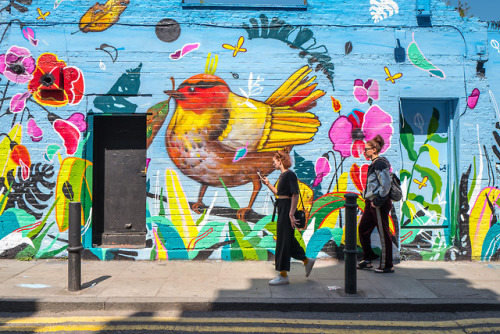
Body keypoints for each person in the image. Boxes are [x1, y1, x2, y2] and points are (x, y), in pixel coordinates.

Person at [259, 147, 315, 285]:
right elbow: (279, 193)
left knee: (283, 242)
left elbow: (295, 194)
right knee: (288, 241)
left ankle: (283, 275)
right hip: (283, 208)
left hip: (286, 210)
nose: (273, 164)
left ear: (280, 160)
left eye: (274, 161)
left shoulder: (289, 175)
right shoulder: (283, 175)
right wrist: (268, 184)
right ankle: (307, 261)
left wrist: (291, 213)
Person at [357, 135, 394, 273]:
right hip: (370, 203)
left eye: (366, 149)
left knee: (383, 233)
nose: (364, 152)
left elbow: (386, 185)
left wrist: (377, 202)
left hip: (378, 204)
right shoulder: (374, 164)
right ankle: (368, 259)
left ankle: (387, 265)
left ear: (374, 150)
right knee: (363, 229)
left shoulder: (380, 164)